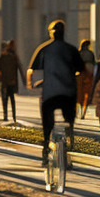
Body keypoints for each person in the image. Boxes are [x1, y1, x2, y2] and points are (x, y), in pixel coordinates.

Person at [27, 19, 85, 164]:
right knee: (69, 120)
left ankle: (46, 147)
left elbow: (31, 70)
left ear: (51, 33)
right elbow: (81, 70)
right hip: (68, 93)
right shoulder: (71, 50)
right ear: (64, 33)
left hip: (50, 94)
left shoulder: (44, 49)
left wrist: (31, 84)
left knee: (47, 123)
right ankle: (70, 143)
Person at [0, 40, 21, 122]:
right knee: (11, 99)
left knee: (5, 99)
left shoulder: (2, 57)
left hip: (5, 82)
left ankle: (6, 116)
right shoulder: (14, 57)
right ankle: (13, 116)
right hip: (11, 81)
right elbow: (18, 68)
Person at [76, 39, 96, 119]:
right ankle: (83, 113)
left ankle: (80, 112)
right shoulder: (90, 53)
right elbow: (94, 63)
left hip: (81, 75)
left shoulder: (79, 53)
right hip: (89, 75)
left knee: (80, 94)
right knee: (87, 95)